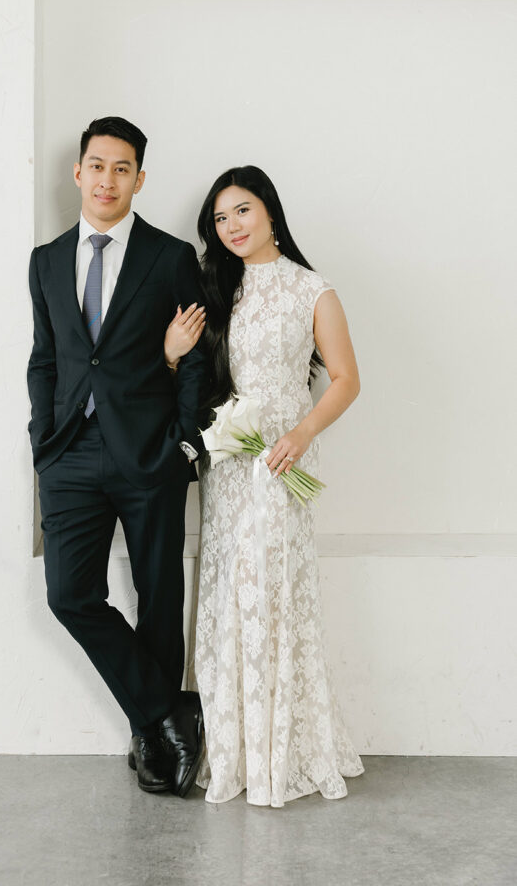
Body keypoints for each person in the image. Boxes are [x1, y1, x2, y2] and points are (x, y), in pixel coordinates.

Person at [165, 165, 365, 807]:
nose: (232, 227)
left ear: (270, 212)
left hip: (281, 464)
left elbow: (344, 379)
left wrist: (301, 435)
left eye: (242, 211)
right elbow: (191, 373)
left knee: (272, 592)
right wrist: (171, 354)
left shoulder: (313, 290)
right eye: (220, 219)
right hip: (227, 466)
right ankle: (234, 752)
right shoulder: (215, 290)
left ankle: (285, 751)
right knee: (230, 593)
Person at [26, 116, 208, 796]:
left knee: (158, 596)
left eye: (121, 167)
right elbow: (45, 358)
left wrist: (185, 443)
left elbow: (196, 359)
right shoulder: (45, 261)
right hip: (69, 452)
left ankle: (152, 744)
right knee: (70, 593)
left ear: (138, 178)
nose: (107, 179)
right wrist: (43, 438)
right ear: (78, 172)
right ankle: (166, 712)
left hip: (149, 452)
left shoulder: (168, 257)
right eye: (96, 165)